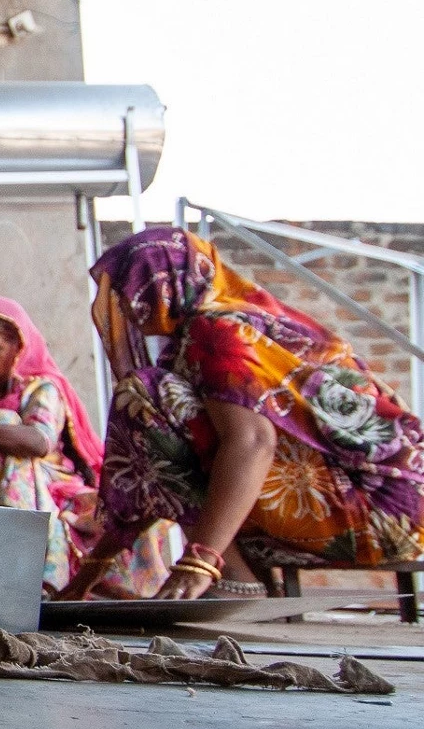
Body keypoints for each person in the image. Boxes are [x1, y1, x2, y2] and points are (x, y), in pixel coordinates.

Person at [60, 229, 424, 600]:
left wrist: (199, 561)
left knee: (145, 395)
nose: (122, 307)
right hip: (398, 511)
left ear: (164, 284)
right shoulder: (219, 326)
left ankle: (231, 575)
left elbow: (252, 444)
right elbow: (153, 470)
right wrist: (89, 572)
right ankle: (236, 570)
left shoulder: (215, 331)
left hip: (377, 511)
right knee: (158, 407)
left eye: (131, 292)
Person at [0, 298, 174, 596]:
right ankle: (23, 575)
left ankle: (40, 574)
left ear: (17, 349)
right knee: (5, 434)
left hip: (48, 493)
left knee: (136, 501)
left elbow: (37, 442)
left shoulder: (40, 389)